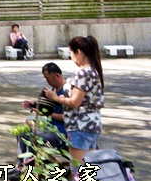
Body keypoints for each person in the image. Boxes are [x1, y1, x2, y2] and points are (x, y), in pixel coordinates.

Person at [43, 35, 105, 167]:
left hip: (80, 127)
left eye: (71, 53)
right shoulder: (93, 71)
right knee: (89, 172)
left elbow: (75, 102)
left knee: (78, 174)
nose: (71, 57)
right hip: (91, 126)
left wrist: (55, 98)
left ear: (79, 52)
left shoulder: (84, 73)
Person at [9, 62, 68, 180]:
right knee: (23, 132)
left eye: (47, 78)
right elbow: (49, 107)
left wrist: (47, 114)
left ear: (56, 75)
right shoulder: (55, 89)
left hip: (61, 133)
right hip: (50, 127)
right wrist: (34, 105)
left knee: (32, 136)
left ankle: (27, 170)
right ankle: (20, 165)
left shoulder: (67, 91)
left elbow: (66, 117)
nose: (47, 81)